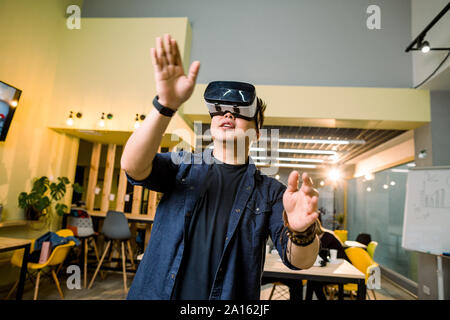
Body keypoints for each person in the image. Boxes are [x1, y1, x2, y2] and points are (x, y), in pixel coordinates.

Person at [121, 34, 320, 300]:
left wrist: (302, 233)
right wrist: (165, 106)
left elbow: (299, 261)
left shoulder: (272, 193)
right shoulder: (182, 167)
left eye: (240, 112)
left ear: (257, 132)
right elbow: (133, 167)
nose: (228, 114)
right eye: (221, 110)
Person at [305, 219, 350, 300]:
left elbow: (314, 253)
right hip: (334, 268)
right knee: (312, 280)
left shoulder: (326, 237)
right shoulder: (321, 236)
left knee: (314, 281)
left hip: (343, 271)